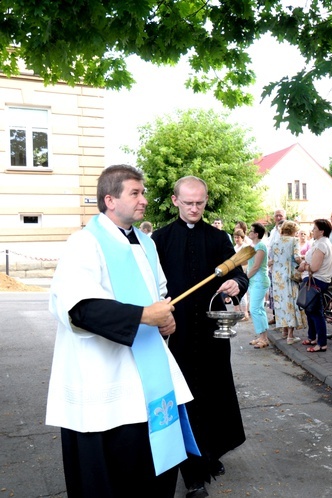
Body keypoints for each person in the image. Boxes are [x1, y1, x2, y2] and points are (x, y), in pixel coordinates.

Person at [46, 165, 194, 497]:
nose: (144, 200)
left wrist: (165, 319)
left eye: (143, 192)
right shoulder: (83, 244)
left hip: (148, 379)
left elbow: (159, 295)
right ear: (110, 200)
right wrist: (144, 315)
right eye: (135, 193)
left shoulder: (146, 243)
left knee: (152, 472)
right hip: (102, 376)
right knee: (110, 478)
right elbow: (80, 309)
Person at [151, 176, 248, 498]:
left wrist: (237, 285)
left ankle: (209, 453)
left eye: (200, 203)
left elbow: (238, 273)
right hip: (174, 335)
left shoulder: (218, 238)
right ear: (175, 200)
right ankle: (191, 473)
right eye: (188, 202)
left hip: (212, 334)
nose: (195, 208)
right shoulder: (160, 240)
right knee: (184, 401)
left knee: (214, 396)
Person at [298, 218, 332, 352]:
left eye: (314, 228)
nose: (312, 230)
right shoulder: (320, 243)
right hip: (315, 280)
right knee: (310, 310)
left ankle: (321, 343)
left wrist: (304, 266)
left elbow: (314, 267)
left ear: (321, 231)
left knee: (315, 312)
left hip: (316, 280)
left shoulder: (321, 245)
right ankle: (312, 337)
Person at [271, 220, 307, 344]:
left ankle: (284, 330)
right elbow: (296, 257)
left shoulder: (275, 242)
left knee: (281, 303)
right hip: (289, 276)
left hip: (277, 276)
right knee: (291, 303)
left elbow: (272, 260)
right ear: (292, 230)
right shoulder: (294, 241)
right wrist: (303, 263)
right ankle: (290, 336)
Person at [246, 222, 271, 349]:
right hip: (255, 281)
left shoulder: (261, 246)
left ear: (256, 234)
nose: (249, 232)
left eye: (251, 231)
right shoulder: (254, 245)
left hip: (259, 281)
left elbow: (256, 266)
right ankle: (263, 336)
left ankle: (263, 338)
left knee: (254, 309)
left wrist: (246, 278)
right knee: (259, 309)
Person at [266, 208, 287, 325]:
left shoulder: (285, 229)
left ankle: (282, 317)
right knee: (273, 293)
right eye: (276, 216)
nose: (278, 218)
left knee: (281, 293)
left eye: (280, 216)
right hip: (272, 265)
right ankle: (275, 315)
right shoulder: (273, 230)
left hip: (281, 266)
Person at [232, 228, 251, 322]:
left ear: (242, 238)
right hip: (236, 271)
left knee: (244, 294)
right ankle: (240, 312)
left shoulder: (245, 247)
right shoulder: (234, 248)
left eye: (238, 237)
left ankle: (245, 313)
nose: (236, 239)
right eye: (235, 237)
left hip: (245, 271)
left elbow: (247, 261)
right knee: (237, 293)